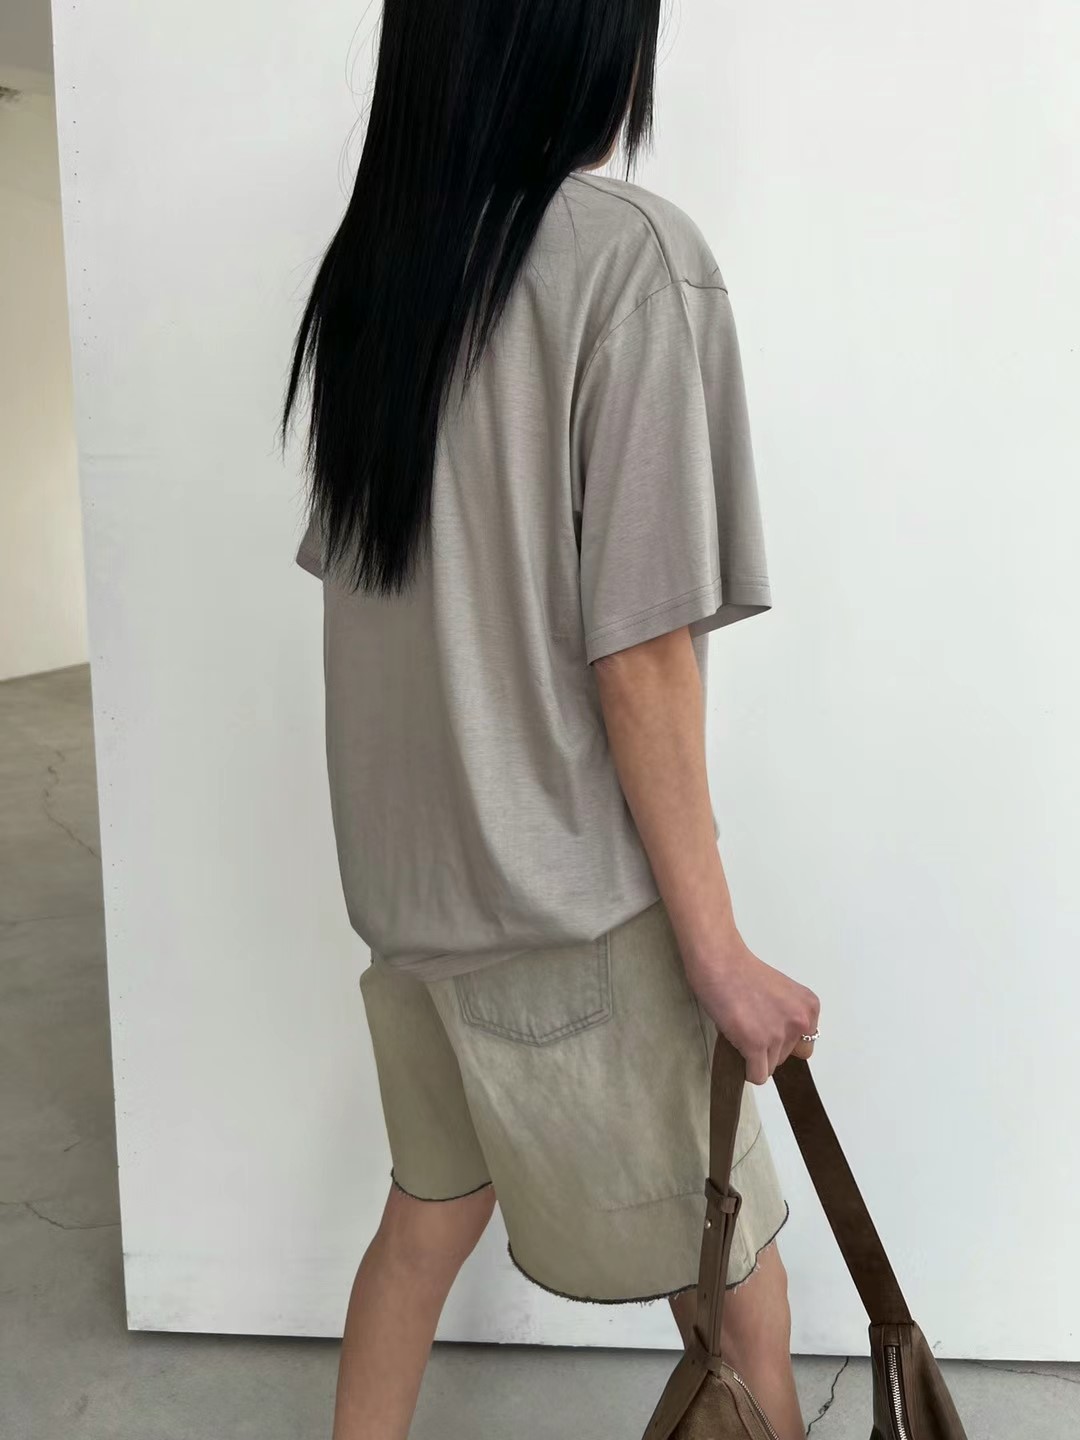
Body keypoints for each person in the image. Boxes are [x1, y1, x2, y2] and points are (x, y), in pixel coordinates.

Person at [282, 4, 820, 1438]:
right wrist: (718, 956)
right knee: (742, 1303)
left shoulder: (379, 280)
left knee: (421, 1226)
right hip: (574, 923)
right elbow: (639, 653)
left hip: (413, 914)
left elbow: (375, 602)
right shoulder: (628, 260)